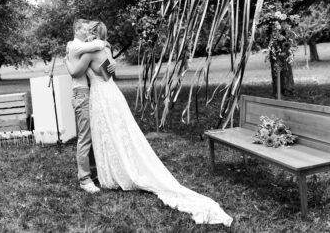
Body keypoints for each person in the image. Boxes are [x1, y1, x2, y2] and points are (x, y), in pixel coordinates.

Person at [64, 21, 233, 226]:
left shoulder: (89, 53)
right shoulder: (106, 47)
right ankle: (106, 167)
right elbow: (109, 73)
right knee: (117, 130)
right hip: (112, 92)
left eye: (89, 31)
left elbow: (75, 72)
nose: (87, 33)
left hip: (100, 95)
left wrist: (67, 60)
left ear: (93, 34)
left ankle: (104, 172)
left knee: (105, 132)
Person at [66, 19, 116, 194]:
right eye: (86, 29)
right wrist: (104, 44)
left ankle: (93, 172)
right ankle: (84, 178)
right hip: (81, 93)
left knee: (93, 133)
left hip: (91, 92)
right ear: (78, 30)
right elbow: (76, 71)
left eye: (90, 30)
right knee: (85, 136)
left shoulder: (86, 46)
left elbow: (104, 72)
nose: (88, 33)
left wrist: (110, 60)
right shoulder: (74, 46)